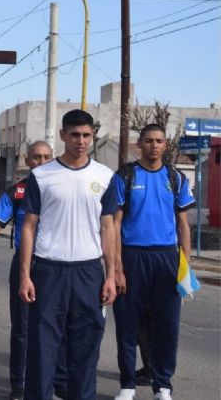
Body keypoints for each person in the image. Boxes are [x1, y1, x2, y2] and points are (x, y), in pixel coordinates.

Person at [19, 109, 118, 400]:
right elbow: (29, 226)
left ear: (93, 136)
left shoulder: (105, 176)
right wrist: (25, 275)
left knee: (85, 349)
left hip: (88, 272)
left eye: (87, 135)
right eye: (75, 135)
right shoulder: (41, 176)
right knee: (42, 348)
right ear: (63, 135)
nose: (81, 141)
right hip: (49, 271)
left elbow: (108, 228)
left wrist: (111, 275)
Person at [0, 141, 69, 400]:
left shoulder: (65, 188)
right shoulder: (17, 192)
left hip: (58, 266)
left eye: (46, 157)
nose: (41, 162)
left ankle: (61, 383)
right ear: (27, 160)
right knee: (22, 328)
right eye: (36, 157)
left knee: (59, 325)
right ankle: (19, 385)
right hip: (25, 265)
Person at [112, 124, 195, 400]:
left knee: (167, 327)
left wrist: (185, 266)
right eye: (149, 140)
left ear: (165, 144)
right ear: (140, 144)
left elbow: (183, 225)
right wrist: (117, 267)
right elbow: (115, 223)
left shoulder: (175, 177)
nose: (154, 145)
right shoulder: (125, 175)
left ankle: (163, 386)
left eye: (159, 140)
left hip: (166, 258)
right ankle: (127, 385)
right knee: (127, 326)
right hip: (132, 256)